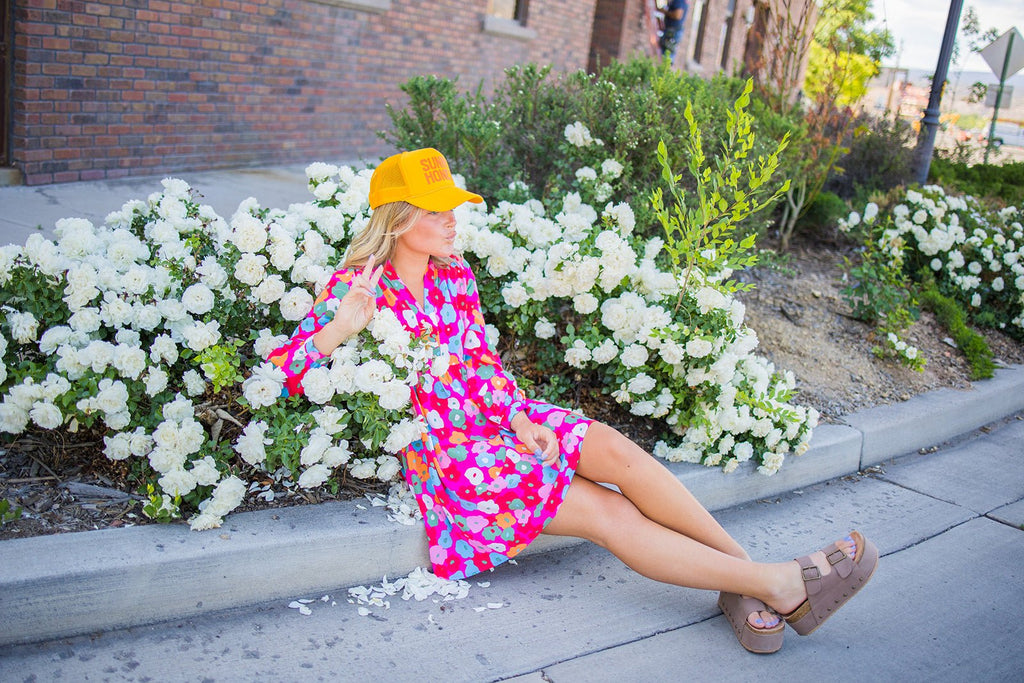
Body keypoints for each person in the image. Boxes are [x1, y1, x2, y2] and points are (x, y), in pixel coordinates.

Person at [267, 148, 878, 654]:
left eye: (456, 205)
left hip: (496, 419)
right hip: (450, 458)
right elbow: (282, 374)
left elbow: (481, 362)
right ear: (400, 219)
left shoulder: (454, 274)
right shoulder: (360, 286)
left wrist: (517, 418)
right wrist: (341, 329)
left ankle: (748, 581)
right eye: (440, 208)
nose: (455, 218)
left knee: (610, 446)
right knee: (604, 513)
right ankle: (774, 582)